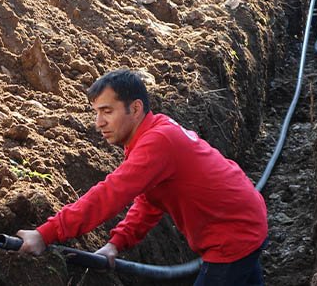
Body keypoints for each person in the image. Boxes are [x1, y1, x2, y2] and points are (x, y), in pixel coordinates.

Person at [16, 70, 268, 286]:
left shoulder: (158, 142)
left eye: (107, 111)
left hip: (232, 235)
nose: (98, 122)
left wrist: (46, 233)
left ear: (135, 108)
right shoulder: (153, 133)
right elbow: (151, 201)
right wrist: (117, 243)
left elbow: (110, 194)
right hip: (244, 220)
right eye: (96, 112)